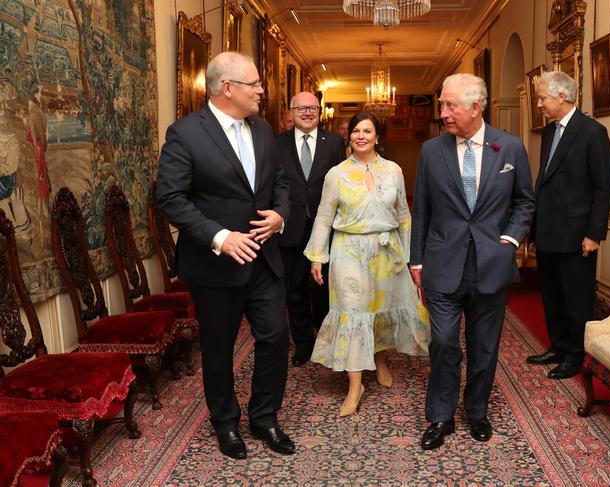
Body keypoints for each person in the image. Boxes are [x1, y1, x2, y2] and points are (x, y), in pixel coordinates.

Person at [156, 52, 295, 460]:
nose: (261, 90)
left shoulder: (265, 129)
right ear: (226, 88)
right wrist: (220, 236)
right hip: (215, 264)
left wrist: (280, 215)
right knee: (218, 348)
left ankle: (265, 417)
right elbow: (171, 198)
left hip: (264, 259)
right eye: (254, 84)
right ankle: (226, 423)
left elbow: (280, 183)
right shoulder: (185, 133)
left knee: (274, 337)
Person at [410, 73, 535, 450]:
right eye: (442, 104)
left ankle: (477, 411)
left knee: (484, 344)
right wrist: (416, 260)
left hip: (490, 264)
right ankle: (441, 417)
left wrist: (509, 240)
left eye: (450, 105)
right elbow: (423, 211)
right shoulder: (432, 151)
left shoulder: (510, 148)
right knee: (444, 342)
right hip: (442, 263)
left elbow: (525, 201)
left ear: (476, 107)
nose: (443, 112)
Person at [304, 111, 430, 418]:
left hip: (387, 251)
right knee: (353, 313)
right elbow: (323, 215)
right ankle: (354, 386)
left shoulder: (394, 170)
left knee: (380, 309)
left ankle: (380, 359)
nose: (361, 135)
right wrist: (318, 255)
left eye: (368, 131)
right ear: (350, 136)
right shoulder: (336, 174)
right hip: (348, 250)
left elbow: (403, 215)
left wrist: (415, 259)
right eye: (356, 130)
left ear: (378, 137)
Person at [526, 71, 610, 379]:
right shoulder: (550, 132)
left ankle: (575, 354)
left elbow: (604, 187)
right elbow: (545, 182)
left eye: (542, 98)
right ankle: (559, 345)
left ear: (562, 96)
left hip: (578, 234)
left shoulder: (592, 132)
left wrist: (594, 233)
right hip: (549, 229)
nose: (539, 104)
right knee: (551, 294)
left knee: (576, 298)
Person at [276, 92, 346, 366]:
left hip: (326, 228)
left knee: (324, 289)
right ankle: (304, 346)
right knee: (294, 292)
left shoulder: (335, 143)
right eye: (301, 108)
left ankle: (327, 342)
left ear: (320, 111)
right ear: (291, 112)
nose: (307, 112)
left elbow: (342, 184)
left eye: (312, 108)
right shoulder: (276, 144)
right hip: (290, 228)